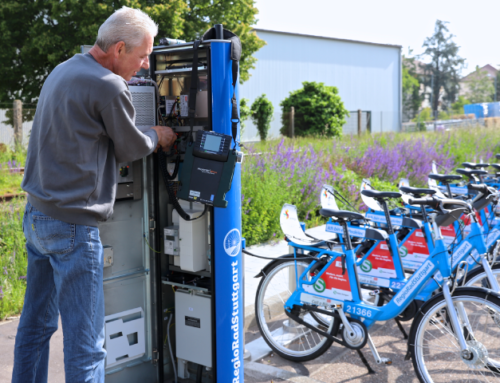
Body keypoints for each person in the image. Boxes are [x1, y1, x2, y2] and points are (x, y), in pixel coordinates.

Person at [12, 7, 175, 383]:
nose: (147, 65)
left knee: (35, 328)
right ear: (119, 49)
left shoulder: (65, 68)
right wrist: (159, 135)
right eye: (143, 55)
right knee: (88, 347)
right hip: (73, 228)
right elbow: (132, 146)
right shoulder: (110, 85)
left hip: (37, 217)